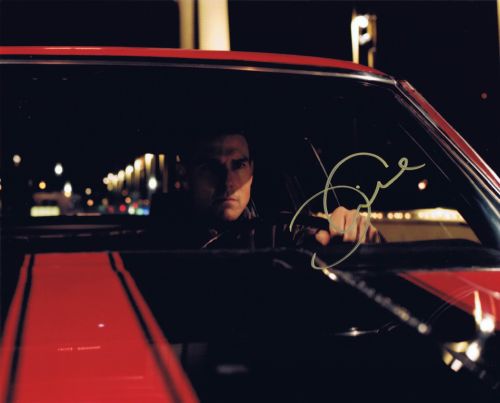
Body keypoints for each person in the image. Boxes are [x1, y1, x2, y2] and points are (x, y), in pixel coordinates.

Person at [157, 130, 379, 249]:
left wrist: (354, 230)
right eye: (211, 167)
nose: (228, 182)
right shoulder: (154, 243)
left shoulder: (276, 233)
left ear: (252, 171)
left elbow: (311, 238)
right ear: (185, 174)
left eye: (239, 165)